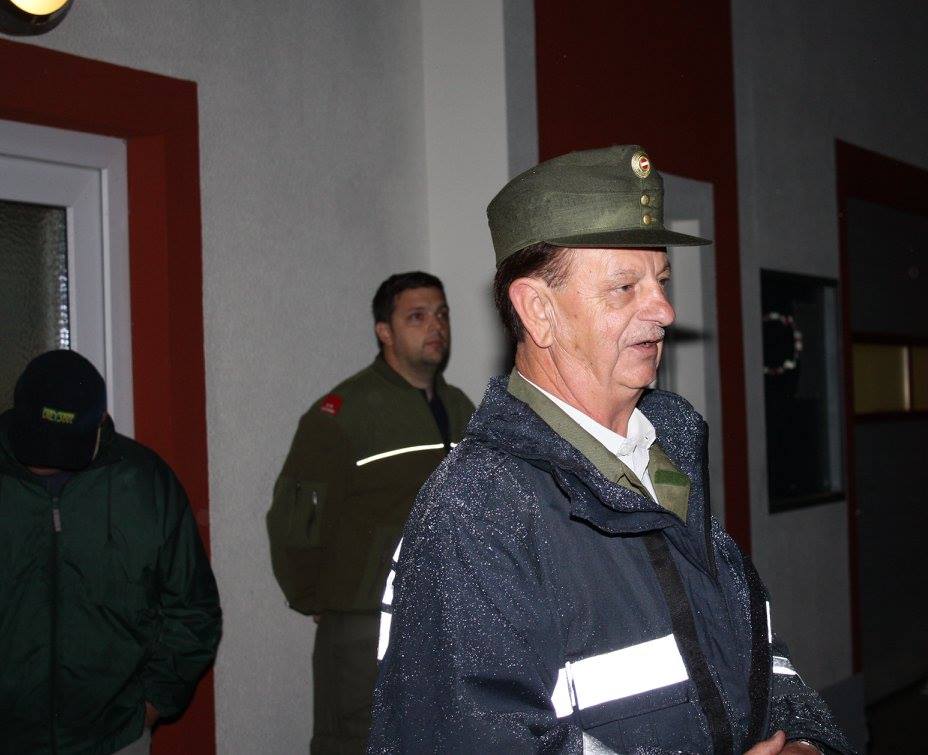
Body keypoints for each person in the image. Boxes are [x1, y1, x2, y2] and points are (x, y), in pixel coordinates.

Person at [367, 146, 853, 754]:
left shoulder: (664, 460)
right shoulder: (476, 508)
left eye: (661, 281)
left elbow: (751, 656)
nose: (665, 311)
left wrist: (805, 742)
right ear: (538, 312)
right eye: (624, 287)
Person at [267, 271, 476, 755]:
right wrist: (317, 598)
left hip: (445, 617)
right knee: (357, 742)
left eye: (442, 314)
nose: (436, 327)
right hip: (362, 626)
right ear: (385, 331)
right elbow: (296, 522)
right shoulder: (344, 413)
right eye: (417, 317)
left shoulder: (460, 407)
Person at [0, 350, 221, 754]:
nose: (45, 461)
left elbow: (194, 610)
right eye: (36, 440)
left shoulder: (144, 483)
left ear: (100, 423)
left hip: (114, 739)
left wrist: (149, 706)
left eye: (61, 448)